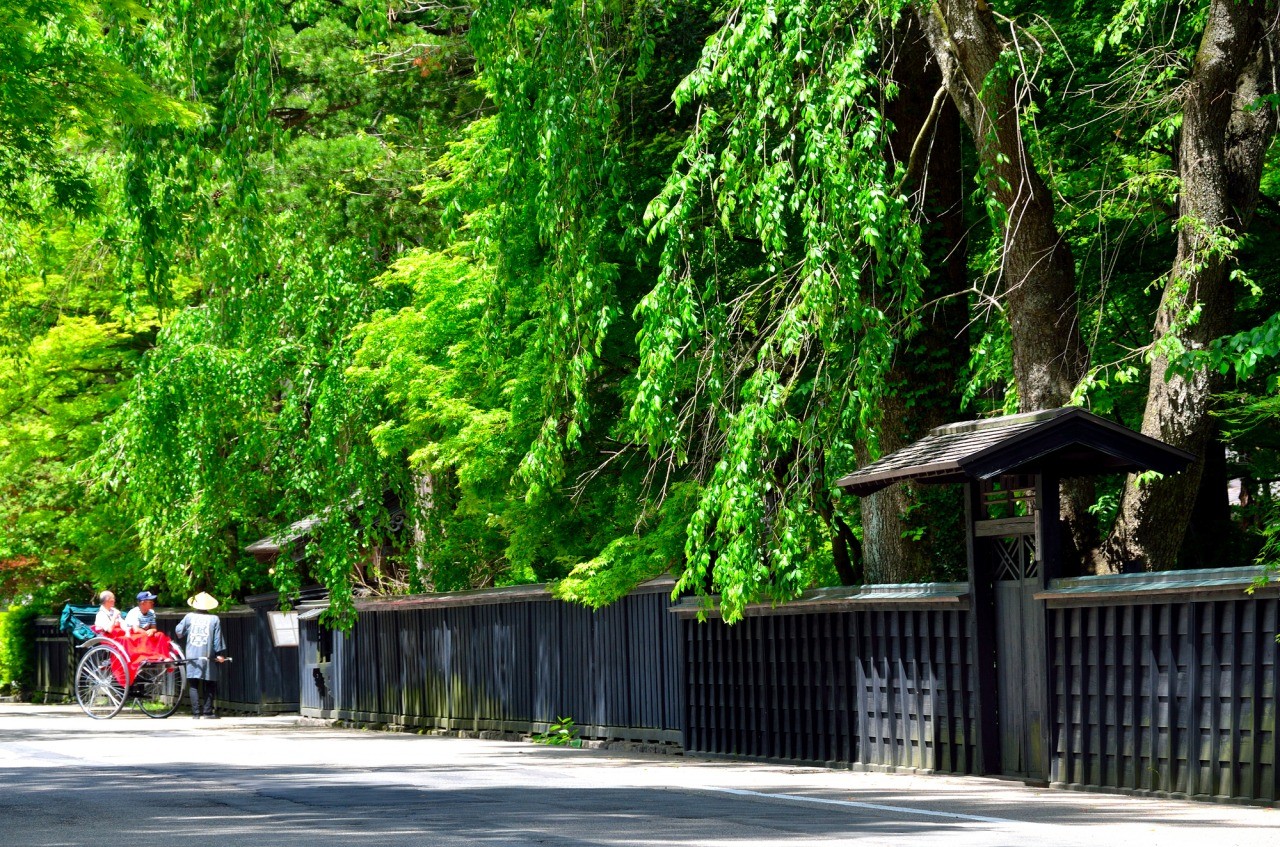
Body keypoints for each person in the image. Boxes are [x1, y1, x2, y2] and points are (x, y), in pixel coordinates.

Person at [175, 591, 227, 719]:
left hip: (192, 654)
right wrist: (219, 654)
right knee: (209, 682)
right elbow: (217, 640)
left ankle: (196, 713)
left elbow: (179, 631)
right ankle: (207, 712)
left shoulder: (189, 617)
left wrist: (187, 631)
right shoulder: (214, 619)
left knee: (193, 684)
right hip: (208, 654)